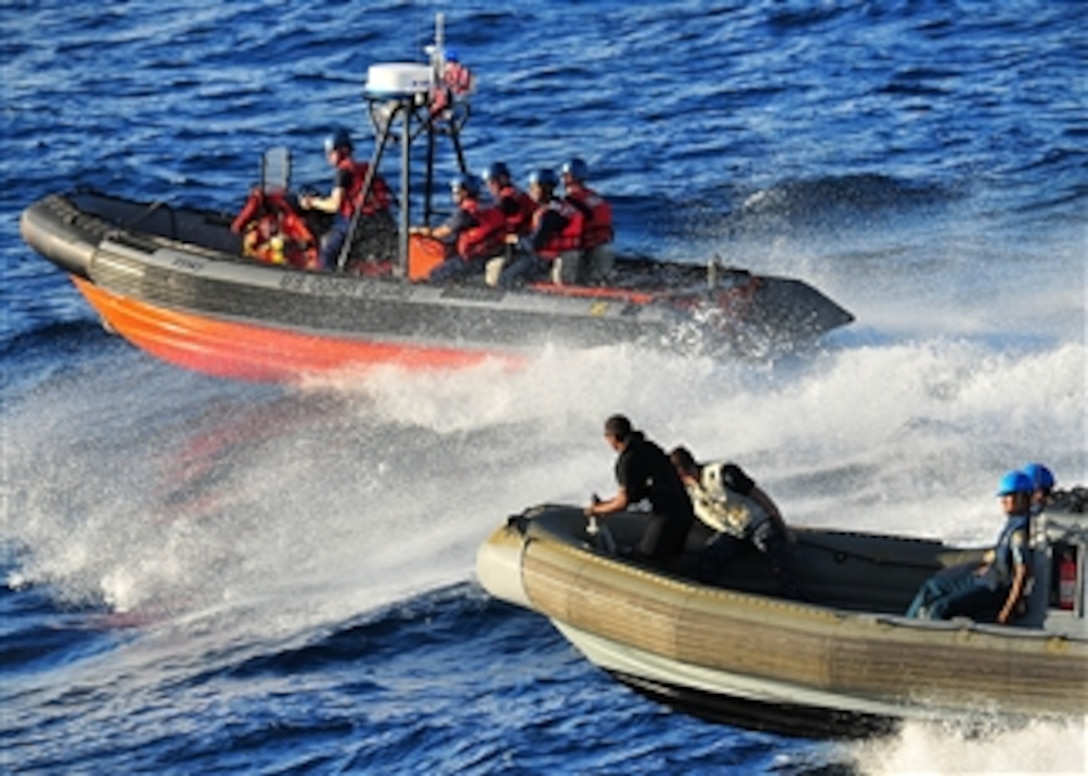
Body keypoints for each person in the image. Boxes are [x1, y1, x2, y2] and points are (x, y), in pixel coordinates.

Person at [669, 446, 800, 597]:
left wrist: (782, 528)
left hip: (758, 523)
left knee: (772, 547)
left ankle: (791, 593)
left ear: (682, 473)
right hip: (733, 532)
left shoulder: (724, 474)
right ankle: (709, 594)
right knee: (710, 556)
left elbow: (760, 496)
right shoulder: (688, 491)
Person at [905, 470, 1033, 624]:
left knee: (940, 608)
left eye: (1008, 496)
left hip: (994, 588)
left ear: (1022, 498)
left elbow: (1022, 572)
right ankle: (905, 627)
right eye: (1003, 497)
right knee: (933, 587)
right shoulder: (1012, 524)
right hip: (986, 577)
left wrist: (1008, 610)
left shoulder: (1019, 532)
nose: (1003, 501)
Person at [585, 415, 695, 564]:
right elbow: (631, 495)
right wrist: (603, 505)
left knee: (645, 559)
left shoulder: (627, 462)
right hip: (686, 512)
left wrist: (595, 510)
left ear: (613, 438)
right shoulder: (648, 447)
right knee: (666, 560)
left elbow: (622, 502)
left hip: (669, 517)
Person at [298, 127, 393, 270]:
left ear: (342, 151)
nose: (328, 157)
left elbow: (335, 205)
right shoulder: (365, 168)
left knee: (327, 252)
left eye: (331, 152)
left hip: (358, 222)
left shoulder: (343, 172)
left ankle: (326, 282)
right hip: (380, 218)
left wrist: (311, 202)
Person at [497, 168, 584, 288]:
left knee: (504, 278)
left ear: (544, 189)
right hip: (568, 254)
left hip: (549, 259)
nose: (530, 191)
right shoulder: (565, 206)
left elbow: (534, 245)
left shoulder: (548, 215)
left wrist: (515, 239)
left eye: (533, 187)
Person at [412, 175, 506, 283]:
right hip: (491, 251)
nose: (453, 194)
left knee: (435, 274)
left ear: (465, 192)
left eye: (456, 191)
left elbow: (439, 233)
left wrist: (417, 231)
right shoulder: (485, 206)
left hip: (474, 258)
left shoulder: (464, 213)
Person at [560, 157, 615, 283]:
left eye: (564, 176)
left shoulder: (571, 200)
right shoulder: (595, 197)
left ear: (569, 177)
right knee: (600, 280)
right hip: (605, 245)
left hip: (588, 249)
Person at [483, 162, 535, 239]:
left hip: (523, 235)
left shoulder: (507, 199)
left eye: (491, 182)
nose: (489, 187)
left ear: (503, 179)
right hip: (527, 230)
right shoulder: (517, 191)